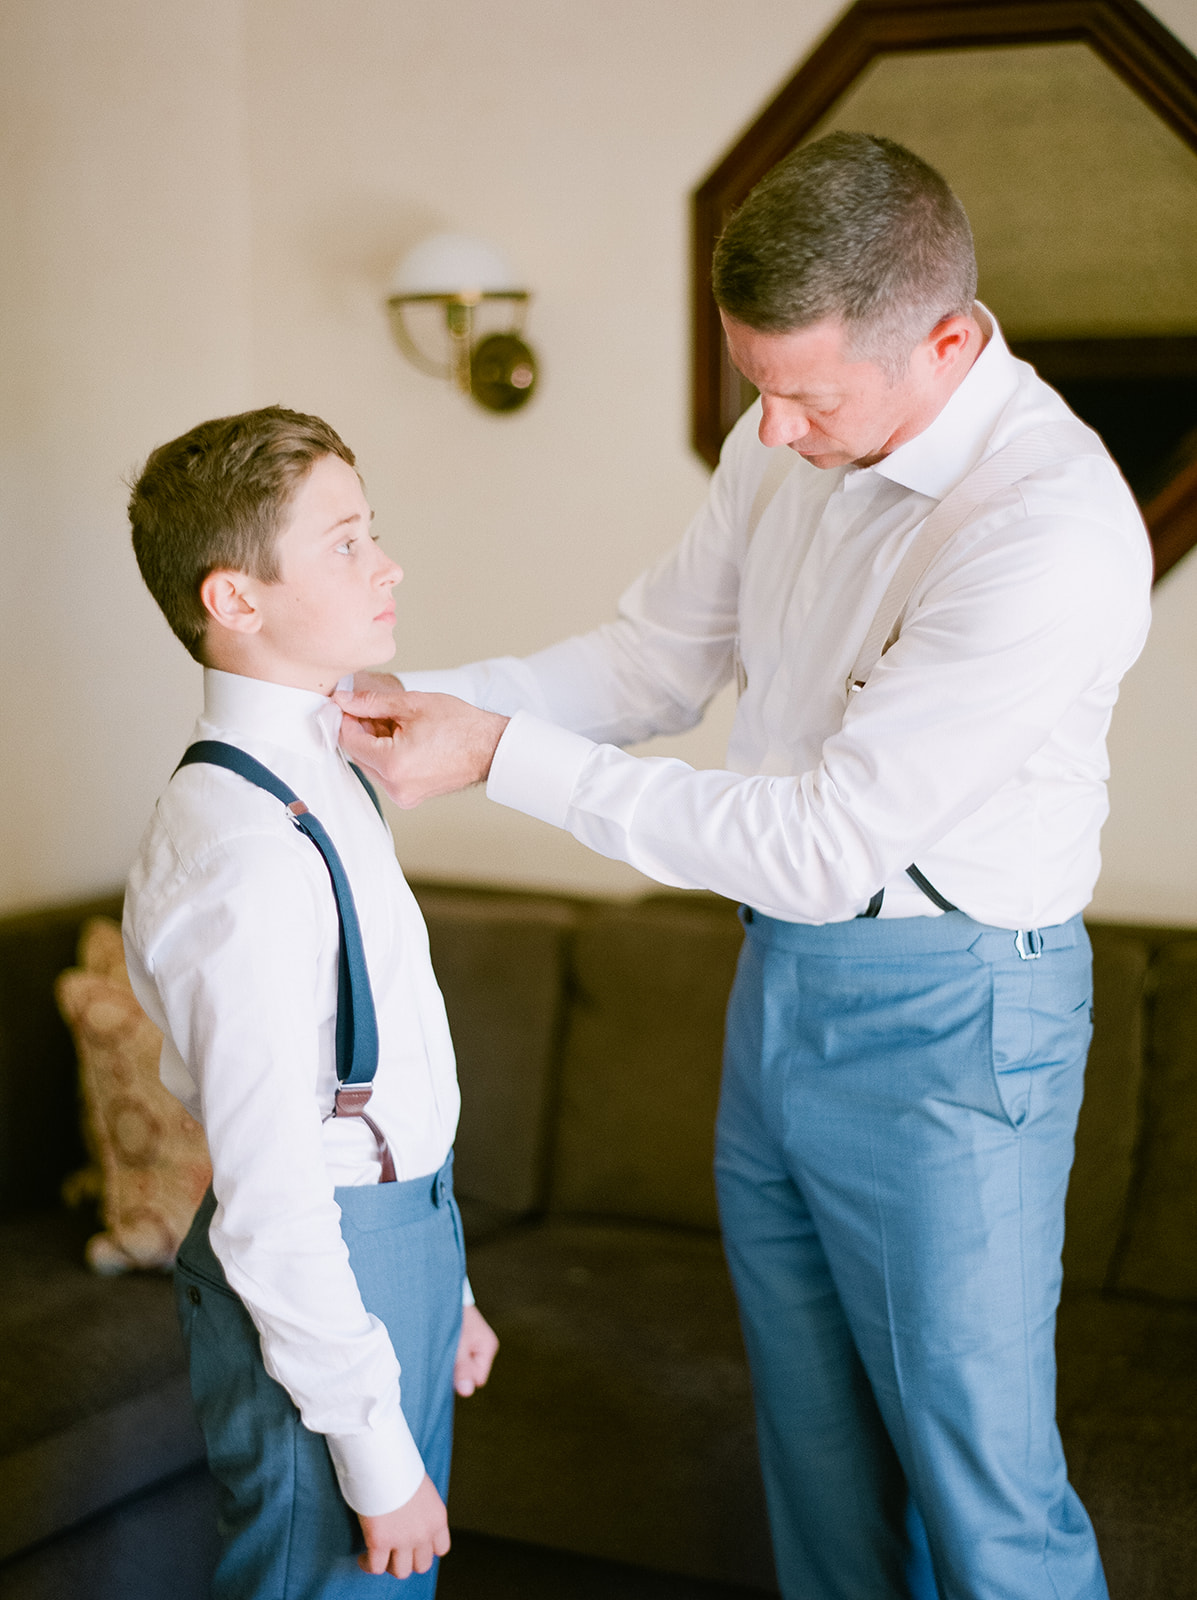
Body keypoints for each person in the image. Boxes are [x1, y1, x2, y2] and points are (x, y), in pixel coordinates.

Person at [335, 134, 1153, 1599]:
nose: (769, 430)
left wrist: (497, 758)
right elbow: (657, 659)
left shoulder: (1051, 534)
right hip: (781, 986)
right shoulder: (780, 446)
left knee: (983, 1489)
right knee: (818, 1465)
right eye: (752, 384)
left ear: (949, 338)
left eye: (807, 393)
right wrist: (422, 702)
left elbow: (830, 842)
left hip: (957, 1019)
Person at [122, 406, 498, 1599]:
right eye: (344, 542)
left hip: (400, 1244)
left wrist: (448, 1284)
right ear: (235, 599)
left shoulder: (327, 765)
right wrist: (376, 1450)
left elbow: (389, 1067)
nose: (386, 564)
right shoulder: (238, 849)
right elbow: (272, 1188)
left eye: (370, 531)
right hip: (322, 1260)